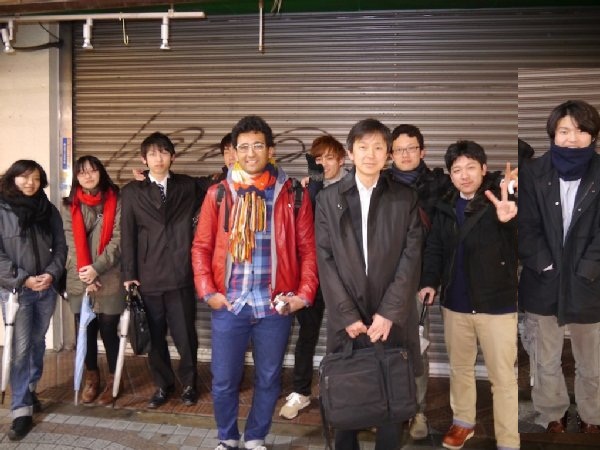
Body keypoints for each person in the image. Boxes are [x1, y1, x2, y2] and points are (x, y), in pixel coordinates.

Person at [191, 115, 318, 450]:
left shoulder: (292, 194)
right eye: (243, 147)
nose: (250, 153)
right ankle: (227, 438)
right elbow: (201, 247)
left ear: (270, 150)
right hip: (229, 303)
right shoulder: (219, 193)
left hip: (274, 305)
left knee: (269, 378)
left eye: (258, 146)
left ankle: (256, 437)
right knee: (223, 380)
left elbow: (308, 249)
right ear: (233, 152)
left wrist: (303, 295)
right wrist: (208, 291)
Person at [315, 118, 423, 450]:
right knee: (347, 396)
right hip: (347, 319)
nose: (370, 154)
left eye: (378, 147)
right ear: (350, 152)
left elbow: (411, 257)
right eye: (363, 147)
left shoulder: (404, 197)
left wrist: (389, 312)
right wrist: (346, 314)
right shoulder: (328, 199)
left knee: (392, 399)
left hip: (392, 318)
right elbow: (325, 259)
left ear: (388, 155)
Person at [419, 141, 519, 450]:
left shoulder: (502, 200)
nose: (464, 175)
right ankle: (463, 422)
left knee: (503, 377)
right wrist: (429, 282)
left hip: (497, 305)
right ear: (450, 175)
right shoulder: (445, 206)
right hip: (456, 305)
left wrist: (511, 218)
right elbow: (435, 248)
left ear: (484, 169)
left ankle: (508, 439)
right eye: (457, 170)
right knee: (460, 368)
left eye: (471, 168)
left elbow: (522, 240)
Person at [519, 99, 600, 434]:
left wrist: (588, 267)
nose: (572, 138)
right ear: (553, 134)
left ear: (593, 135)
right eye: (565, 130)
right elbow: (525, 226)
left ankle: (593, 414)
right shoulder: (533, 173)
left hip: (590, 282)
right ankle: (552, 412)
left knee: (593, 360)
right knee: (545, 357)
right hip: (543, 279)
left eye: (581, 131)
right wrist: (545, 264)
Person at [121, 131, 207, 409]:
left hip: (181, 273)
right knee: (155, 336)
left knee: (186, 335)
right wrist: (129, 274)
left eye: (163, 152)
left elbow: (220, 181)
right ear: (143, 159)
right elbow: (127, 234)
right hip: (149, 276)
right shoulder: (131, 191)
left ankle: (190, 384)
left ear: (173, 156)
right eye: (152, 153)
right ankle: (163, 384)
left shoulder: (188, 185)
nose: (158, 158)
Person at [387, 124, 451, 440]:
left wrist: (430, 280)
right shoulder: (378, 183)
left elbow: (439, 237)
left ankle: (417, 410)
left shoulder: (439, 184)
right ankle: (386, 409)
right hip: (381, 281)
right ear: (391, 154)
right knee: (380, 346)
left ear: (422, 151)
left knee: (416, 347)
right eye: (399, 149)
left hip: (417, 280)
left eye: (411, 148)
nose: (405, 154)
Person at [279, 135, 347, 420]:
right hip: (313, 274)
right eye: (318, 159)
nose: (324, 164)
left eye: (330, 158)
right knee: (307, 334)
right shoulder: (306, 189)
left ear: (342, 159)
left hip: (345, 275)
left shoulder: (354, 186)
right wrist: (312, 189)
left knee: (347, 334)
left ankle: (348, 393)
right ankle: (301, 391)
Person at [0, 160, 67, 441]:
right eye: (25, 177)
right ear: (12, 178)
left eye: (36, 178)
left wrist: (51, 274)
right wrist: (23, 279)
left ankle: (29, 389)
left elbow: (61, 246)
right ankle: (20, 411)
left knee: (37, 343)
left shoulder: (47, 209)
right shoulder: (2, 209)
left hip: (45, 289)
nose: (30, 183)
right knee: (20, 348)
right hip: (17, 291)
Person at [62, 156, 123, 406]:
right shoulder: (68, 205)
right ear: (76, 177)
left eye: (92, 171)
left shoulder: (116, 200)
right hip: (79, 276)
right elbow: (70, 243)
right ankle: (92, 377)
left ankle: (114, 379)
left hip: (110, 275)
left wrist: (97, 269)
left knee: (109, 329)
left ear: (101, 172)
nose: (88, 176)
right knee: (86, 330)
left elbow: (118, 239)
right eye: (82, 172)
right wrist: (86, 275)